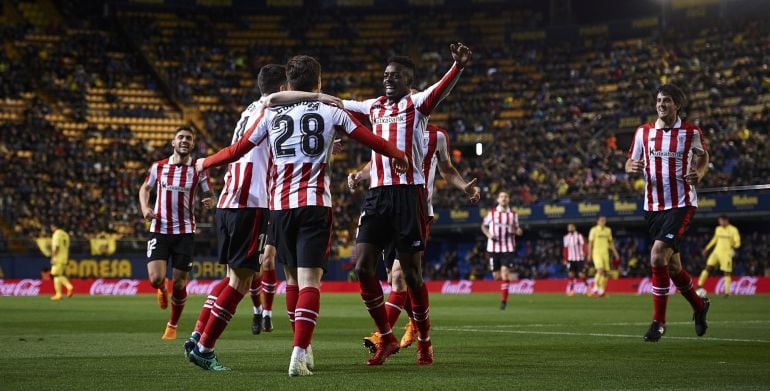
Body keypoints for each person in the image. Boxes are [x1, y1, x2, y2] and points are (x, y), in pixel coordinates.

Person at [197, 55, 407, 376]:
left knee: (292, 280)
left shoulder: (272, 113)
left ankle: (304, 349)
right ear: (318, 82)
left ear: (290, 84)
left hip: (279, 209)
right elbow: (371, 138)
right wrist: (398, 154)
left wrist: (204, 163)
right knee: (311, 282)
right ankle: (298, 353)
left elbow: (236, 150)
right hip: (314, 205)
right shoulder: (331, 110)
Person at [185, 64, 347, 372]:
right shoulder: (271, 106)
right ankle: (205, 348)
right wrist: (323, 97)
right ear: (284, 86)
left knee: (234, 277)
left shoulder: (250, 110)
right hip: (252, 202)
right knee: (240, 282)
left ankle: (197, 336)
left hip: (231, 200)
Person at [343, 42, 472, 366]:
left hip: (411, 200)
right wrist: (309, 97)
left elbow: (446, 167)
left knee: (409, 277)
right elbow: (342, 107)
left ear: (409, 83)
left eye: (396, 76)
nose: (389, 79)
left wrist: (456, 66)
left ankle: (424, 342)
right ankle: (386, 337)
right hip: (378, 196)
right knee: (362, 266)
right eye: (386, 75)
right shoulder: (375, 109)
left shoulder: (421, 114)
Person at [351, 123, 480, 352]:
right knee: (394, 279)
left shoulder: (437, 136)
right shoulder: (389, 127)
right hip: (387, 208)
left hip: (416, 211)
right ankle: (415, 322)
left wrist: (465, 187)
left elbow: (447, 169)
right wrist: (360, 176)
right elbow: (377, 162)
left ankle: (382, 337)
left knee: (400, 277)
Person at [625, 83, 710, 342]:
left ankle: (658, 322)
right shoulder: (643, 132)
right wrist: (631, 168)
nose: (662, 104)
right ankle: (699, 306)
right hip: (652, 207)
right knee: (673, 267)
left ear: (677, 105)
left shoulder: (690, 131)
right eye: (659, 100)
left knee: (657, 254)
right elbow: (630, 161)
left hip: (681, 203)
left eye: (667, 100)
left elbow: (703, 157)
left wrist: (700, 173)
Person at [138, 126, 215, 341]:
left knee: (180, 284)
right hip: (160, 229)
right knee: (155, 279)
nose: (184, 141)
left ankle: (172, 325)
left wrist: (210, 200)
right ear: (173, 142)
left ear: (193, 144)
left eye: (189, 138)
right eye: (180, 137)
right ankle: (161, 288)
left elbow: (209, 193)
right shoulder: (158, 167)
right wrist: (145, 209)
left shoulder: (198, 168)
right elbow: (145, 188)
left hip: (185, 232)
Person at [481, 191, 523, 310]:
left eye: (506, 196)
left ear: (508, 199)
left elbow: (516, 228)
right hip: (493, 248)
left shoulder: (513, 214)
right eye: (501, 196)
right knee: (496, 276)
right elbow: (483, 226)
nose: (504, 198)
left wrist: (518, 231)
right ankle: (505, 284)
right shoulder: (492, 213)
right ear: (498, 200)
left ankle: (504, 301)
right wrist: (489, 234)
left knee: (505, 273)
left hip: (508, 247)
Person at [698, 215, 741, 297]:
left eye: (721, 221)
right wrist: (706, 248)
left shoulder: (733, 230)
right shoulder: (718, 229)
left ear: (726, 220)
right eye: (719, 221)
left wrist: (735, 248)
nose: (720, 222)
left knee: (726, 273)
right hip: (716, 252)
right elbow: (714, 240)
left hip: (726, 254)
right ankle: (699, 285)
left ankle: (727, 292)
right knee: (708, 267)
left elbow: (738, 242)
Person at [587, 216, 619, 297]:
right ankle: (595, 289)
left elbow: (610, 243)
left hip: (605, 254)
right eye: (601, 220)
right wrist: (589, 254)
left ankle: (601, 290)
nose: (603, 222)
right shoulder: (593, 230)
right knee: (600, 270)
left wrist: (615, 253)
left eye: (604, 220)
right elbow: (590, 243)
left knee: (606, 273)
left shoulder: (608, 230)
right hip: (596, 253)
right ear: (597, 221)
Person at [49, 222, 73, 300]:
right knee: (57, 275)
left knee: (55, 275)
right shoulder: (65, 234)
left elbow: (56, 247)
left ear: (54, 226)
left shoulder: (56, 234)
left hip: (58, 258)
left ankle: (69, 286)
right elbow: (67, 247)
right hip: (64, 257)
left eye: (51, 226)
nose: (51, 228)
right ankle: (58, 294)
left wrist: (53, 257)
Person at [562, 223, 587, 297]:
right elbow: (565, 249)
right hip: (570, 259)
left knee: (581, 275)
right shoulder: (566, 237)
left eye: (571, 227)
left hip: (579, 258)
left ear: (574, 228)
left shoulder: (579, 236)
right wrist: (565, 259)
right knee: (570, 274)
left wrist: (584, 254)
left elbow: (584, 245)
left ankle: (587, 288)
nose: (570, 228)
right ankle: (571, 290)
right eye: (569, 227)